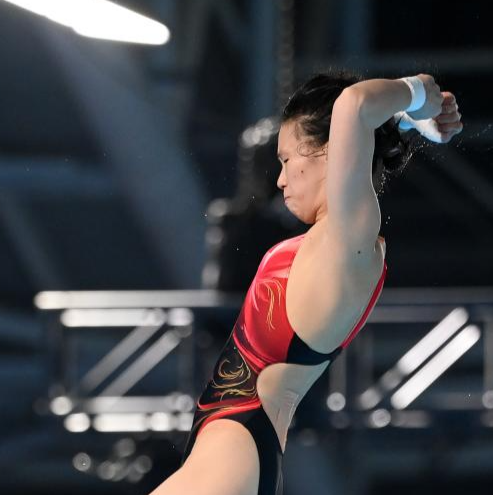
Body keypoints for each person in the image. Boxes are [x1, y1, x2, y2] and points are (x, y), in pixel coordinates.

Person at [150, 72, 462, 495]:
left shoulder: (347, 236)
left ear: (327, 151)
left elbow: (353, 103)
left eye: (285, 160)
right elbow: (358, 124)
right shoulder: (335, 241)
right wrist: (406, 122)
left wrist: (420, 94)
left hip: (236, 446)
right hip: (231, 447)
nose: (279, 180)